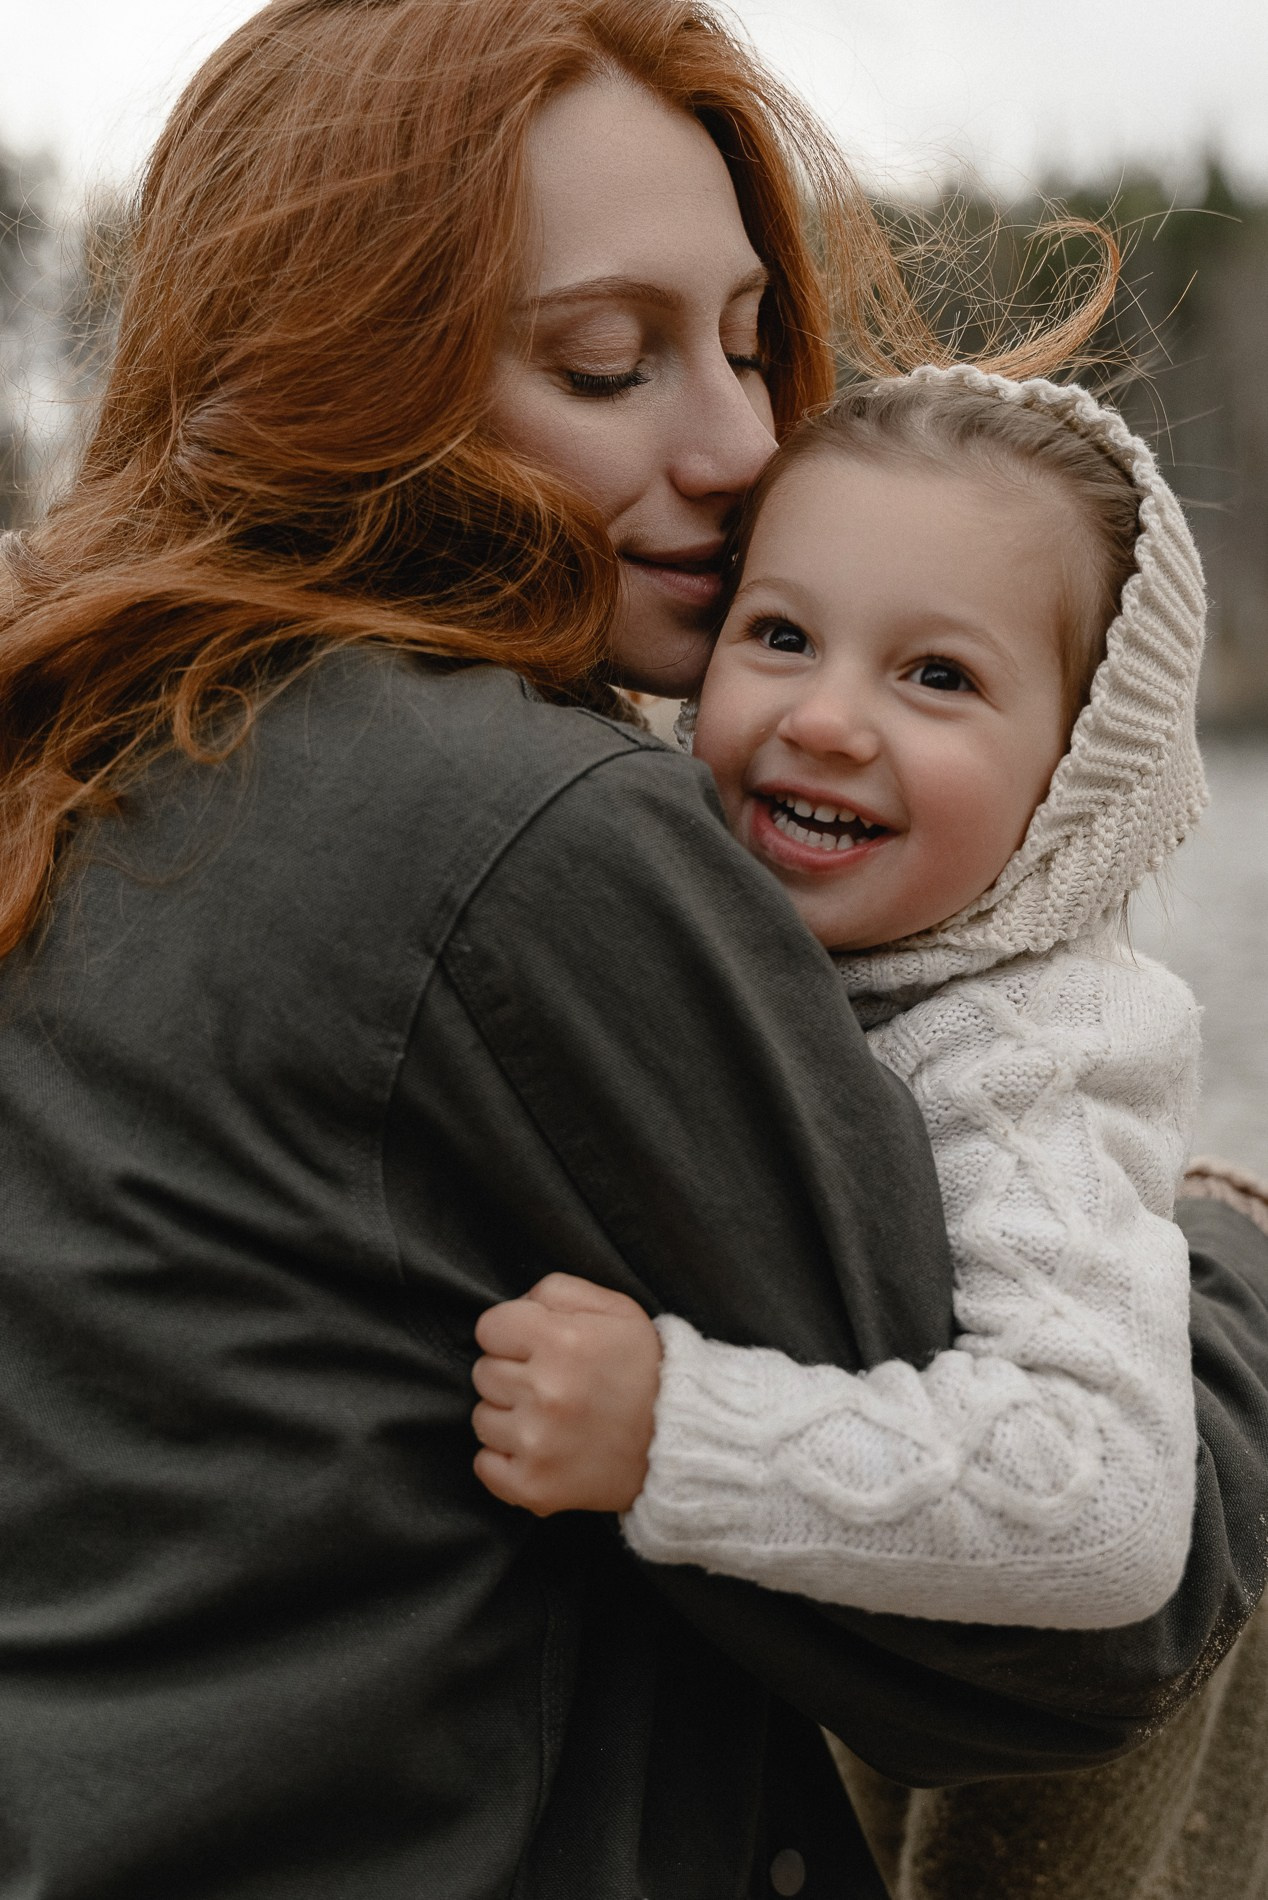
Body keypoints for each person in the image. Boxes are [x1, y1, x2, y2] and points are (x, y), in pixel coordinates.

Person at [2, 3, 1268, 1896]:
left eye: (751, 344)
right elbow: (1076, 1630)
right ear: (342, 368)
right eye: (609, 363)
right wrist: (1223, 1267)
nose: (748, 441)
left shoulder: (106, 741)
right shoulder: (515, 827)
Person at [470, 366, 1209, 1635]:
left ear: (1081, 771)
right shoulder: (698, 897)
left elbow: (1103, 1497)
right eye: (780, 636)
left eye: (935, 676)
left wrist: (673, 1429)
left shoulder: (1020, 1056)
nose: (823, 719)